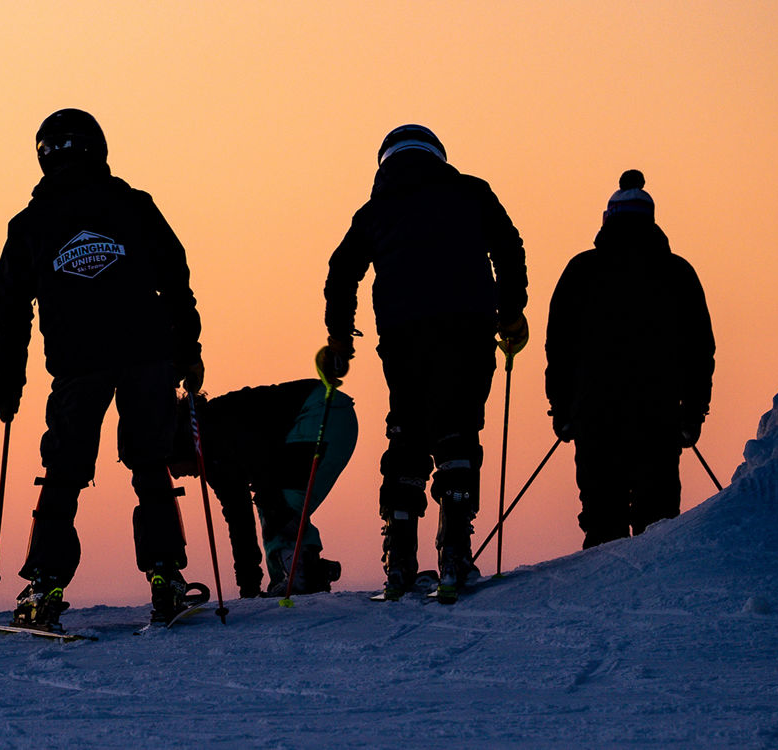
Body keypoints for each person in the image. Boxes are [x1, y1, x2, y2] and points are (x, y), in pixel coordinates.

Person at [0, 108, 206, 630]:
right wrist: (189, 350)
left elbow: (10, 312)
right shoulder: (133, 206)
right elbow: (176, 280)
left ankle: (44, 583)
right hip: (147, 356)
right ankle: (165, 575)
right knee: (150, 465)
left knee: (63, 472)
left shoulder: (29, 225)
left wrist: (8, 379)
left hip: (77, 365)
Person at [317, 124, 530, 602]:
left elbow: (342, 271)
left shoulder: (376, 211)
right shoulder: (471, 192)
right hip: (469, 327)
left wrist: (339, 339)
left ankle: (399, 556)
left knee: (407, 430)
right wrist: (511, 311)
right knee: (457, 428)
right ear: (438, 155)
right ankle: (455, 547)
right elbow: (508, 246)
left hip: (403, 333)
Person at [546, 170, 714, 548]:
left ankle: (603, 600)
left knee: (603, 523)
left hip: (595, 413)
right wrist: (693, 414)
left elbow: (558, 345)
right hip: (659, 414)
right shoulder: (678, 272)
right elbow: (700, 349)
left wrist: (562, 409)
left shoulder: (581, 270)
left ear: (608, 219)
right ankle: (652, 597)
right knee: (658, 526)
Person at [189, 379, 357, 597]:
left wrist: (278, 510)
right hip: (330, 413)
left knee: (278, 502)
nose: (176, 475)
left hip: (322, 413)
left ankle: (300, 574)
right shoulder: (212, 457)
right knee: (273, 504)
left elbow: (261, 462)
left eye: (170, 465)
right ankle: (292, 574)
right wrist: (248, 586)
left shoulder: (216, 428)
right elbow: (239, 518)